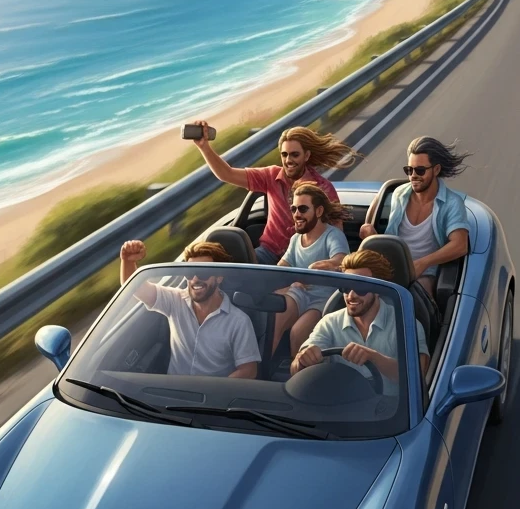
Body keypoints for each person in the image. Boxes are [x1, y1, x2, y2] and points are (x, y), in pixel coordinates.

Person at [189, 120, 360, 264]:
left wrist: (331, 261)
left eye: (294, 155)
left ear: (306, 156)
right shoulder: (270, 176)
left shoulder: (324, 189)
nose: (288, 160)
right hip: (268, 254)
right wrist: (204, 147)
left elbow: (337, 234)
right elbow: (227, 174)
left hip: (305, 258)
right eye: (284, 154)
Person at [119, 239, 260, 379]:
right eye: (190, 272)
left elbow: (248, 371)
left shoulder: (239, 322)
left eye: (203, 272)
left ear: (219, 277)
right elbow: (135, 288)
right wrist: (128, 261)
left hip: (212, 397)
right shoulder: (175, 300)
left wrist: (214, 392)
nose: (195, 279)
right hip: (172, 394)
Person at [291, 249, 429, 392]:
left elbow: (418, 375)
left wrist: (374, 357)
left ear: (379, 288)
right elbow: (296, 370)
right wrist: (302, 361)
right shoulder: (329, 323)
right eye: (346, 287)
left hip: (392, 411)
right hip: (341, 408)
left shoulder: (406, 325)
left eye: (360, 287)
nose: (351, 295)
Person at [360, 136, 470, 294]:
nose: (413, 175)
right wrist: (371, 235)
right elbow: (379, 218)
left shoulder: (452, 203)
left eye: (420, 170)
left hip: (424, 275)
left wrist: (422, 264)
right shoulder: (398, 194)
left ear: (436, 170)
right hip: (388, 269)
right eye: (409, 170)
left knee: (414, 297)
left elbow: (460, 245)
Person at [272, 181, 350, 356]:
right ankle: (261, 373)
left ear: (319, 211)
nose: (297, 214)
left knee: (298, 333)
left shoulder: (333, 235)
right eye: (294, 209)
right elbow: (282, 268)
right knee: (274, 321)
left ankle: (296, 376)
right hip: (299, 294)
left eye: (303, 209)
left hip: (324, 299)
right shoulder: (294, 240)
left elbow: (341, 259)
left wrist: (316, 268)